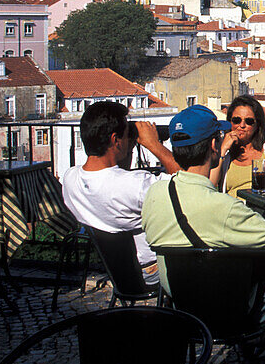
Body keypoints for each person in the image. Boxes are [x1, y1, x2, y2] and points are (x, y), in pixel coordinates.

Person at [141, 104, 265, 364]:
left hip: (184, 307)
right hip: (232, 311)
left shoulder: (154, 195)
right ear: (213, 145)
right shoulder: (226, 209)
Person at [62, 101, 178, 286]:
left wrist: (125, 145)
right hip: (151, 270)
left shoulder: (70, 179)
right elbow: (185, 183)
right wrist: (153, 144)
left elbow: (112, 178)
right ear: (115, 140)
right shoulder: (137, 185)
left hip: (118, 272)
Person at [210, 95, 265, 198]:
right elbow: (211, 185)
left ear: (257, 125)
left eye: (249, 121)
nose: (242, 125)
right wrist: (223, 151)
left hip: (263, 209)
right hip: (235, 210)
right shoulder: (224, 153)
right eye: (236, 120)